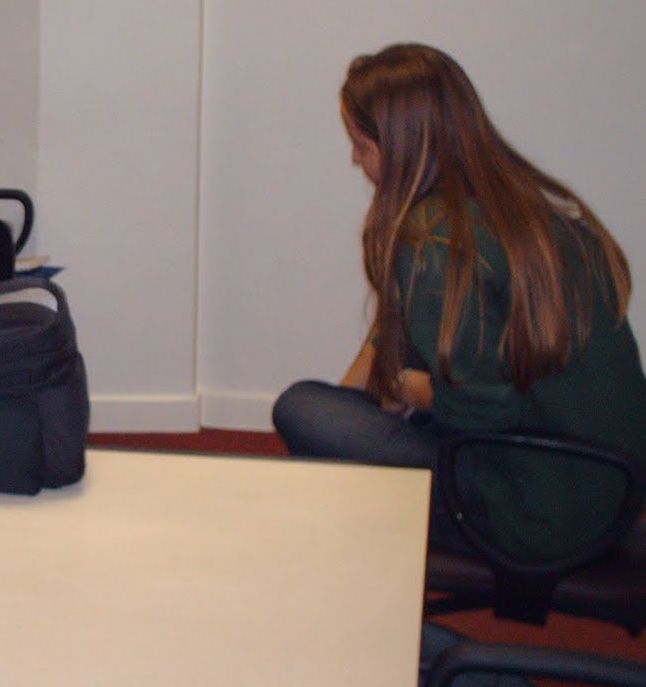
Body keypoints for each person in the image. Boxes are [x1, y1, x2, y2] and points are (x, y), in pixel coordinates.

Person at [273, 43, 646, 562]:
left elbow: (478, 409)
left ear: (401, 148)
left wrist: (401, 390)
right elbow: (393, 331)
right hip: (607, 489)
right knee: (331, 415)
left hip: (533, 510)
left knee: (300, 408)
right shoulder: (520, 210)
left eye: (360, 144)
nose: (354, 159)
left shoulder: (436, 238)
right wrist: (358, 407)